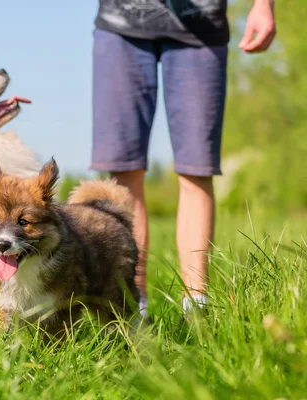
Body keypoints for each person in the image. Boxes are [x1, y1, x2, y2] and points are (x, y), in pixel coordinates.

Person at [91, 0, 276, 317]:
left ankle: (197, 309)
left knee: (197, 170)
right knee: (123, 172)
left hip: (201, 26)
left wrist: (263, 5)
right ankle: (135, 309)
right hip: (121, 25)